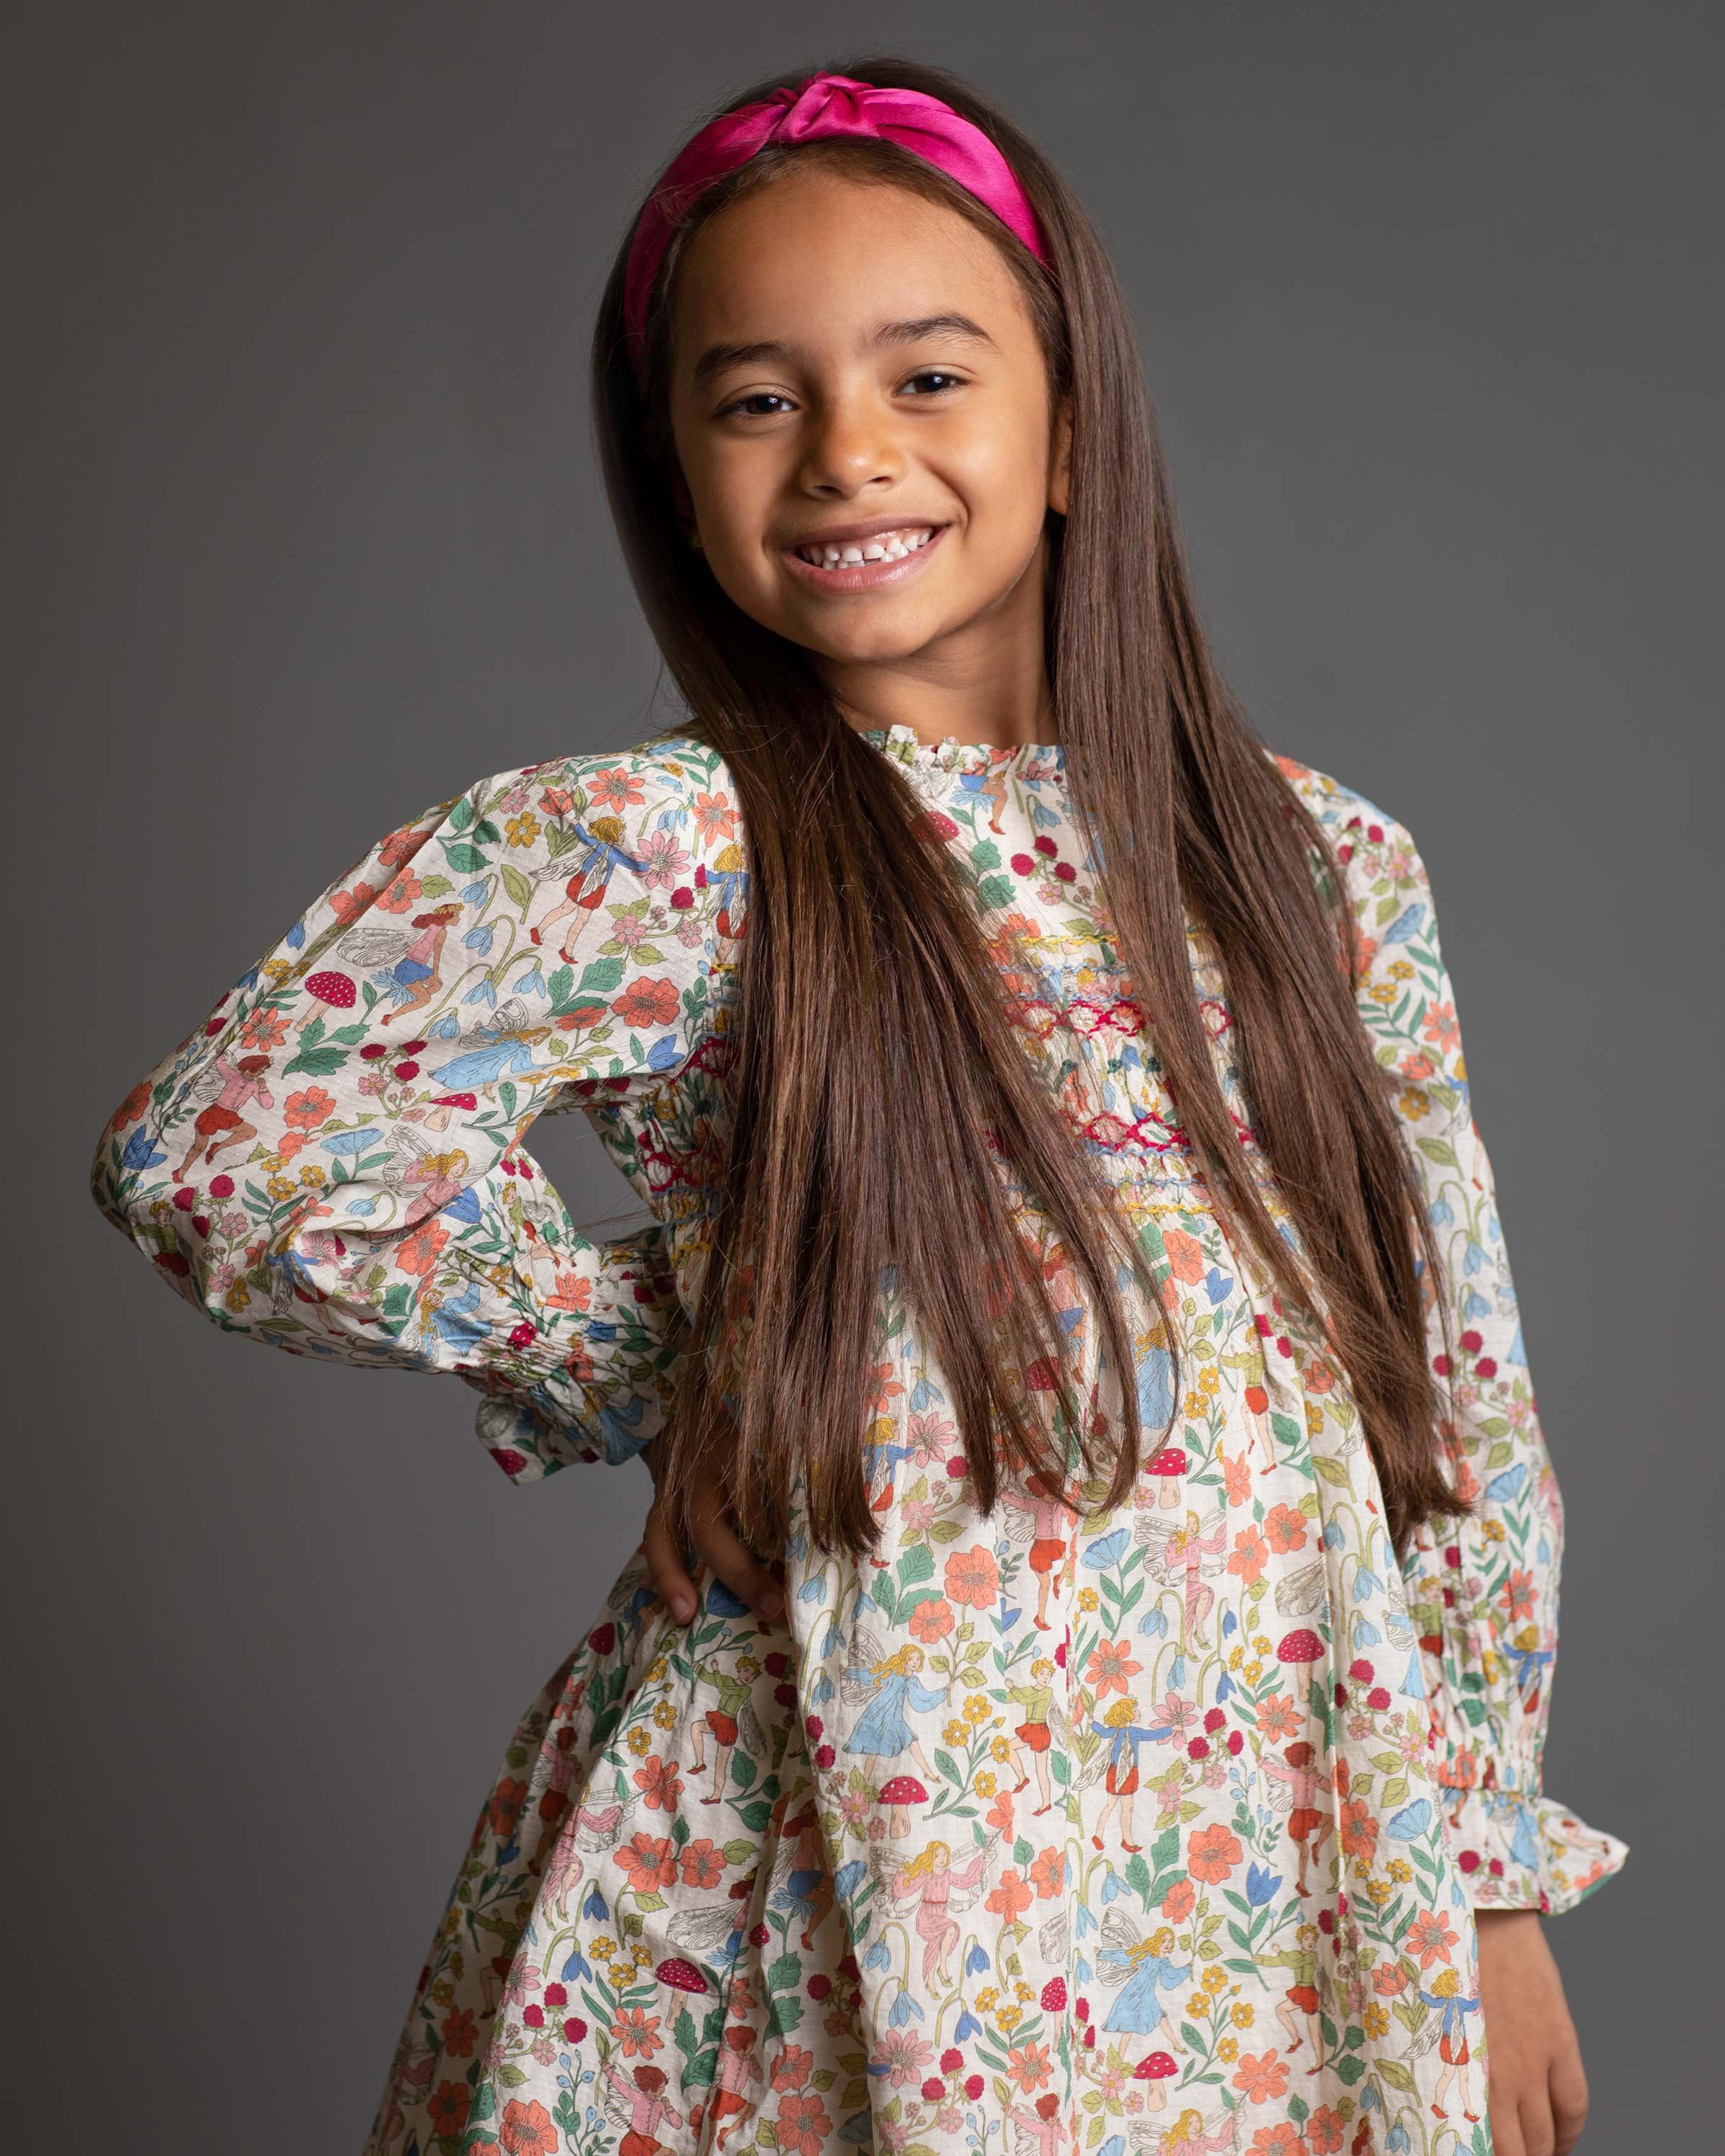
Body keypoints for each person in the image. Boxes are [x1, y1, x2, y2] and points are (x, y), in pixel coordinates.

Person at [88, 53, 1629, 2156]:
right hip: (833, 1860)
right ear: (678, 468)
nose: (843, 456)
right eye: (755, 400)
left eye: (926, 377)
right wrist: (692, 1343)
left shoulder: (1316, 869)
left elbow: (1444, 1399)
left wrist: (1490, 1883)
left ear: (1072, 421)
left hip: (1267, 1877)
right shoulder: (675, 849)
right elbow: (223, 1142)